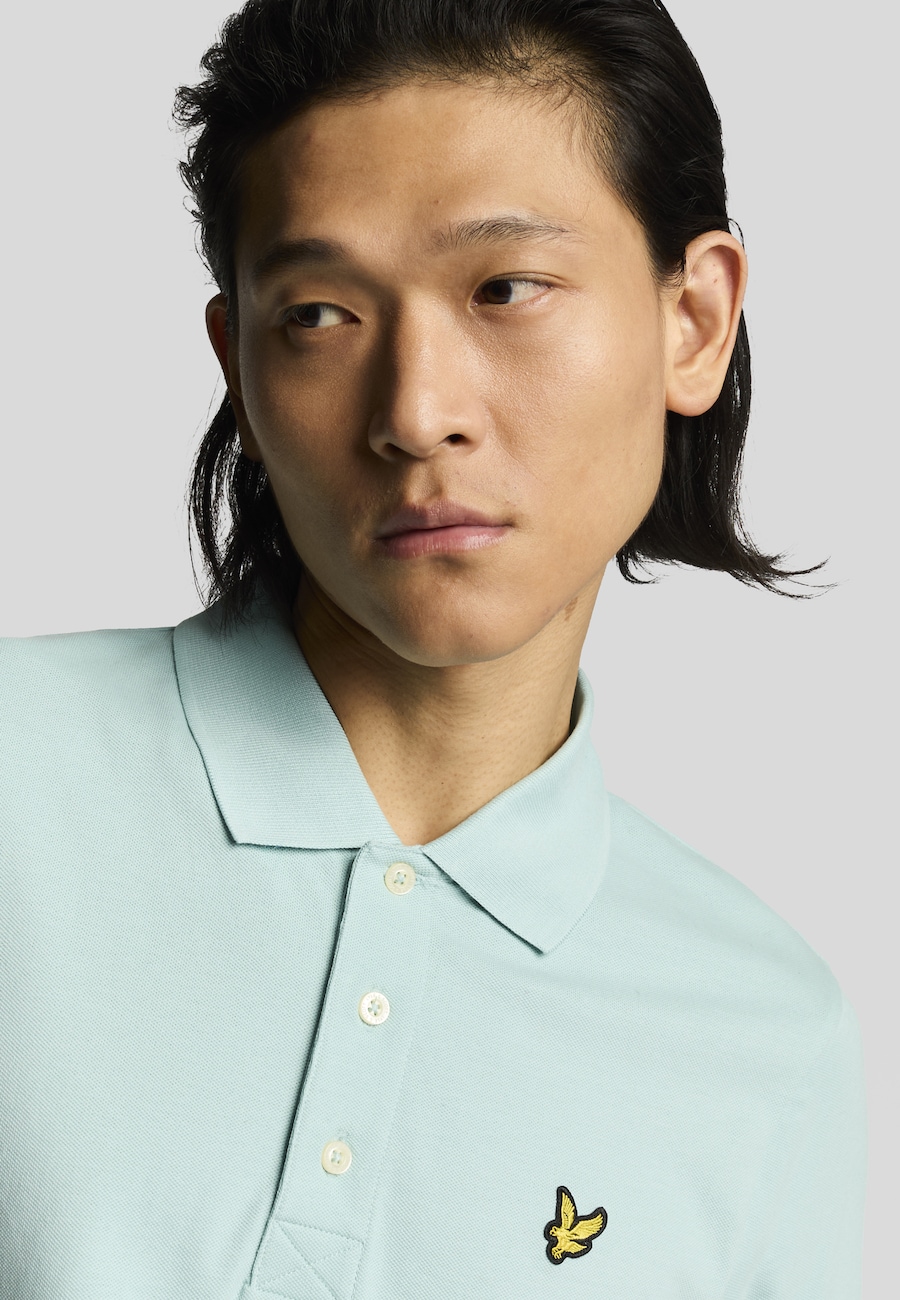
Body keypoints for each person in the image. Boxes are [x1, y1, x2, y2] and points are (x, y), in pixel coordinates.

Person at [0, 0, 866, 1296]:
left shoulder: (767, 1034)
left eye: (505, 289)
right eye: (318, 315)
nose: (416, 412)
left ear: (693, 320)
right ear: (238, 364)